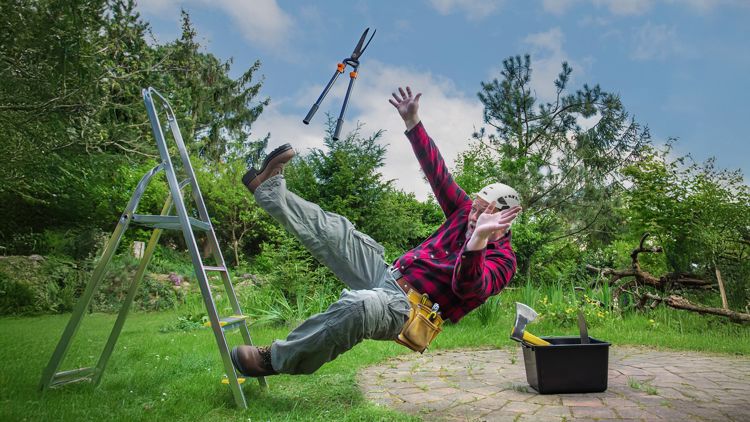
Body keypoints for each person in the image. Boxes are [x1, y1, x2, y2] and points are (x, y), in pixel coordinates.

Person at [231, 86, 522, 377]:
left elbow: (468, 287)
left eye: (484, 211)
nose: (474, 215)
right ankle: (268, 189)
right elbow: (437, 172)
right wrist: (413, 122)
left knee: (360, 306)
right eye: (475, 207)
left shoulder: (504, 262)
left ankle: (272, 360)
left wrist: (478, 242)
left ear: (506, 219)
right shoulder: (462, 211)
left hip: (407, 310)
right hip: (387, 274)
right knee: (336, 231)